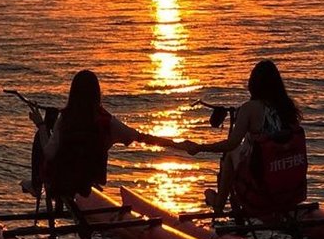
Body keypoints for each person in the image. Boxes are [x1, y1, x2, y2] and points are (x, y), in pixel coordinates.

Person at [181, 59, 307, 215]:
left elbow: (231, 144)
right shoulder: (287, 106)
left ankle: (219, 204)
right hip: (289, 189)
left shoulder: (249, 109)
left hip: (261, 190)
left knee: (231, 154)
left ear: (253, 84)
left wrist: (200, 148)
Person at [28, 69, 176, 198]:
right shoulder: (106, 122)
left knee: (40, 136)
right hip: (88, 181)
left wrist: (41, 125)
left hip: (60, 184)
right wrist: (175, 144)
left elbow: (49, 153)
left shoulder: (65, 119)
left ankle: (35, 185)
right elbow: (139, 137)